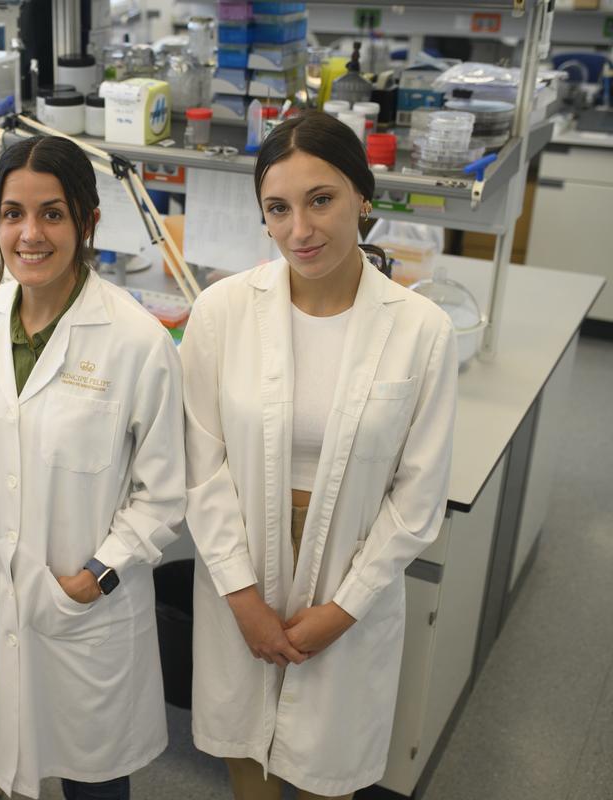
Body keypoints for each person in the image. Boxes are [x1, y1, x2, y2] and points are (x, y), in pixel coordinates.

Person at [182, 111, 458, 800]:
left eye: (321, 200)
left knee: (323, 774)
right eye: (278, 208)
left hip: (350, 575)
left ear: (364, 197)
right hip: (240, 568)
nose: (299, 231)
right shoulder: (220, 313)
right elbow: (199, 466)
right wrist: (243, 599)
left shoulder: (422, 330)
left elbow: (419, 496)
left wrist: (345, 608)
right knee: (247, 759)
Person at [0, 135, 187, 800]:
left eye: (52, 214)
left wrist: (96, 576)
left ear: (88, 223)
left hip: (93, 605)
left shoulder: (137, 342)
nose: (30, 234)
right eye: (13, 213)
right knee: (26, 756)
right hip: (12, 587)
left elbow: (165, 493)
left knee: (95, 775)